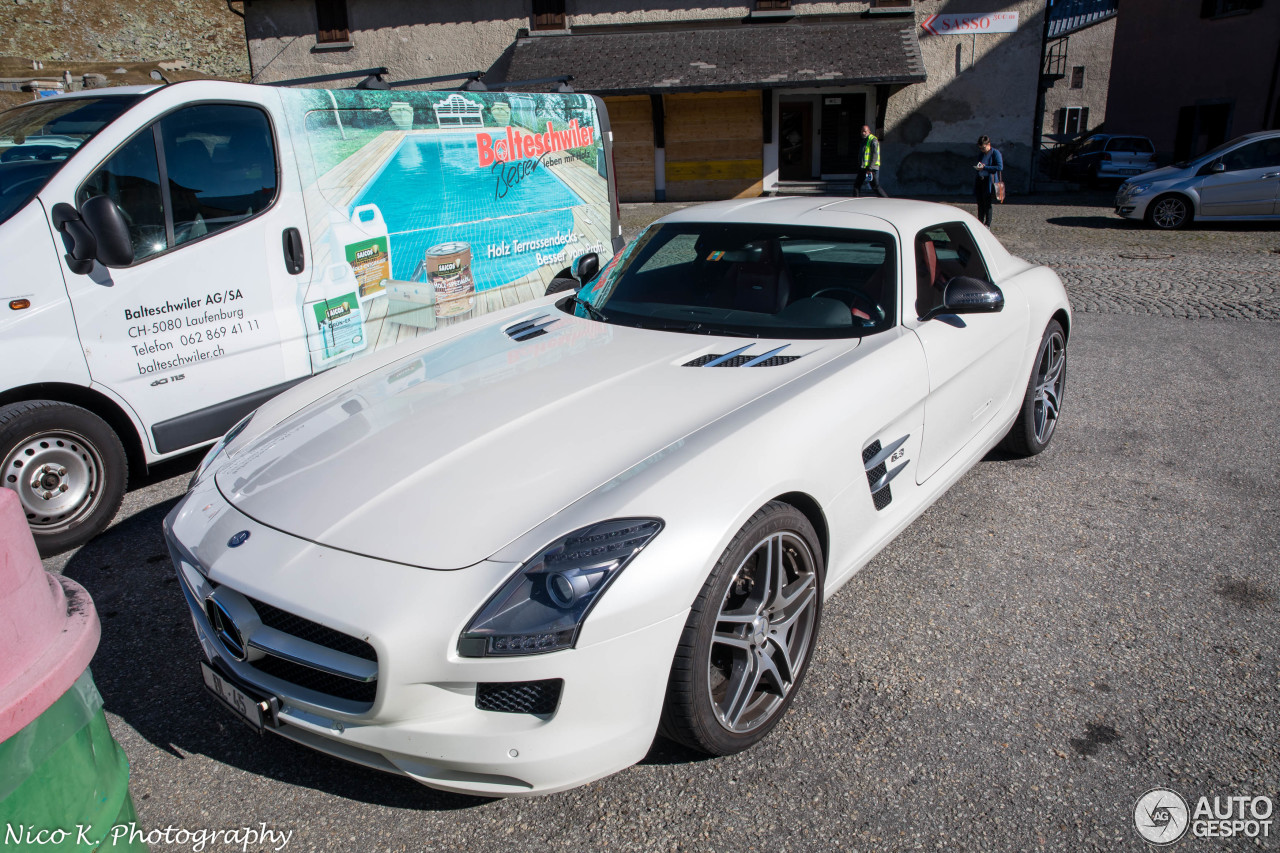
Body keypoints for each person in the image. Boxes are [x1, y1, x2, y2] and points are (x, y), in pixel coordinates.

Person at [974, 135, 1003, 227]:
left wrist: (985, 167)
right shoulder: (981, 154)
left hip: (989, 181)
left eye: (983, 148)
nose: (982, 150)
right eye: (980, 148)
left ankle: (987, 224)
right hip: (980, 180)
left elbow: (999, 167)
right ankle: (980, 221)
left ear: (988, 144)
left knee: (987, 203)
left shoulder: (995, 153)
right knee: (980, 202)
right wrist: (978, 168)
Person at [855, 125, 889, 198]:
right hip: (864, 167)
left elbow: (875, 155)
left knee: (875, 186)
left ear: (869, 131)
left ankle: (886, 199)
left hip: (870, 168)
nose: (863, 133)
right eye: (862, 131)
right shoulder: (864, 140)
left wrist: (870, 168)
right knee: (857, 185)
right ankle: (855, 200)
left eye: (865, 131)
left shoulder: (873, 140)